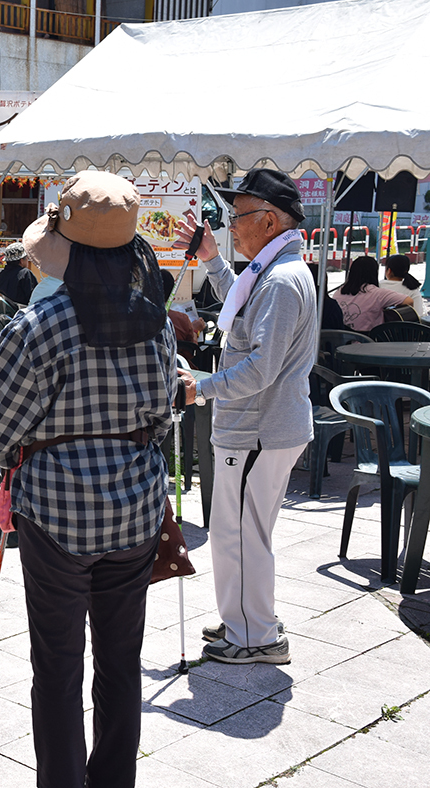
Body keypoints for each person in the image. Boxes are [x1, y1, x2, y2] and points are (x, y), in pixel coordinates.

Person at [0, 171, 175, 788]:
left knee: (57, 669)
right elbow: (165, 415)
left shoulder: (38, 325)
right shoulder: (156, 322)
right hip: (137, 512)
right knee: (122, 664)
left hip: (56, 517)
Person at [176, 168, 318, 665]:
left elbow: (262, 366)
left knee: (243, 536)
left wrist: (200, 389)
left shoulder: (281, 279)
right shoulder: (272, 272)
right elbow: (241, 302)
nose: (231, 226)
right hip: (255, 427)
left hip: (259, 428)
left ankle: (256, 635)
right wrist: (214, 263)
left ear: (272, 221)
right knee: (238, 532)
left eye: (239, 217)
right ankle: (243, 622)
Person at [334, 255, 412, 332]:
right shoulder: (378, 294)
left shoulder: (338, 292)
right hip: (369, 342)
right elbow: (409, 301)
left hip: (343, 341)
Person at [380, 253, 425, 318]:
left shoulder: (378, 286)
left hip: (381, 327)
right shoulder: (412, 288)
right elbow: (419, 314)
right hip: (405, 326)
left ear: (389, 270)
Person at [0, 241, 37, 305]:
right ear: (21, 260)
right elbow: (35, 297)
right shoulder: (25, 274)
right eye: (27, 258)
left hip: (7, 312)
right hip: (25, 312)